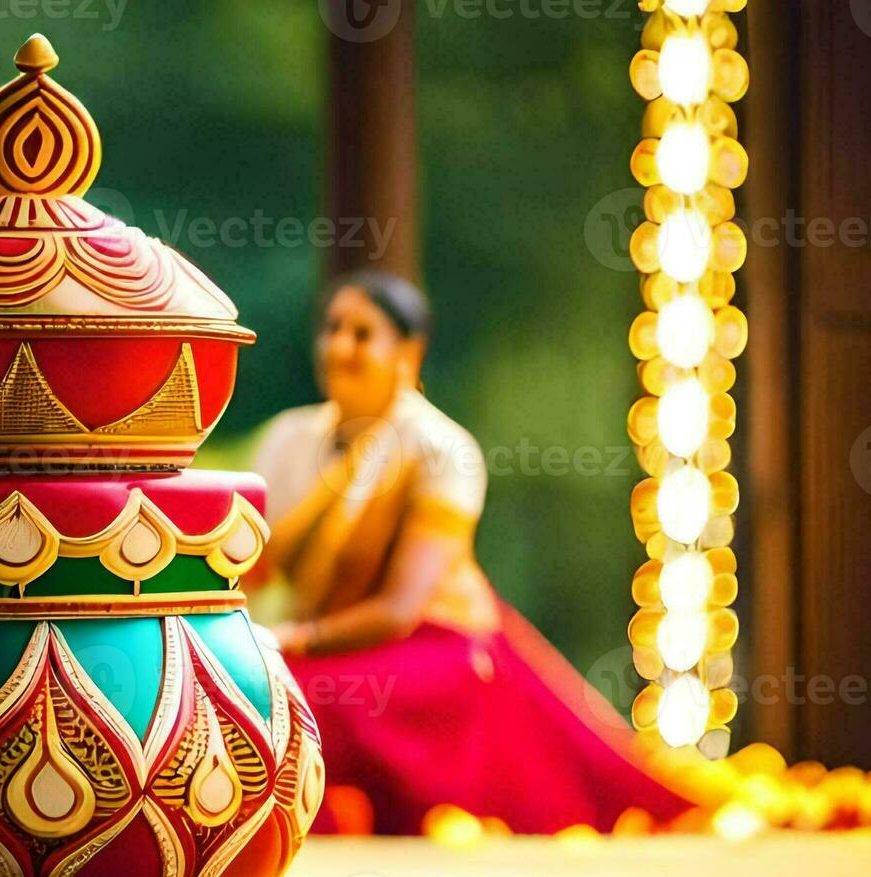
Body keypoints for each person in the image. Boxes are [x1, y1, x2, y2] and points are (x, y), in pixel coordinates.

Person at [250, 272, 695, 835]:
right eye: (333, 329)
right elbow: (249, 573)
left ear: (408, 352)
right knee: (246, 682)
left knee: (303, 697)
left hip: (432, 649)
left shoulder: (440, 449)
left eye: (362, 333)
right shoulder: (288, 439)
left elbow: (399, 610)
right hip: (323, 642)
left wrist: (289, 640)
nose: (340, 346)